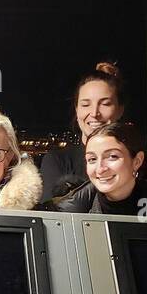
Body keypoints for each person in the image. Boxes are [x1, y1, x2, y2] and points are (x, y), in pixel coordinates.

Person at [49, 122, 147, 217]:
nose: (100, 169)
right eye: (92, 159)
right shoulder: (61, 214)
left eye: (112, 156)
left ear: (137, 161)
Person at [38, 62, 128, 199]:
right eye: (85, 104)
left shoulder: (137, 163)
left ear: (120, 109)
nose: (94, 113)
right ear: (76, 109)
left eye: (105, 104)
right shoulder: (57, 161)